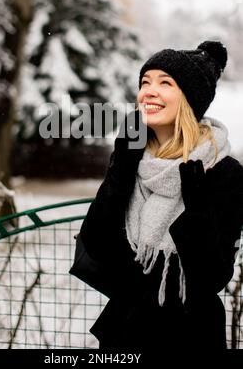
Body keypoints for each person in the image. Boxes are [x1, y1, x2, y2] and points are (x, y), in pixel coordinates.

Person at [78, 41, 243, 350]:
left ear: (190, 98)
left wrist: (197, 212)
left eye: (164, 83)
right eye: (145, 82)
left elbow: (212, 277)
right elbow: (98, 246)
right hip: (126, 332)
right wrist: (119, 175)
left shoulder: (223, 171)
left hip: (190, 336)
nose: (148, 91)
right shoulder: (132, 159)